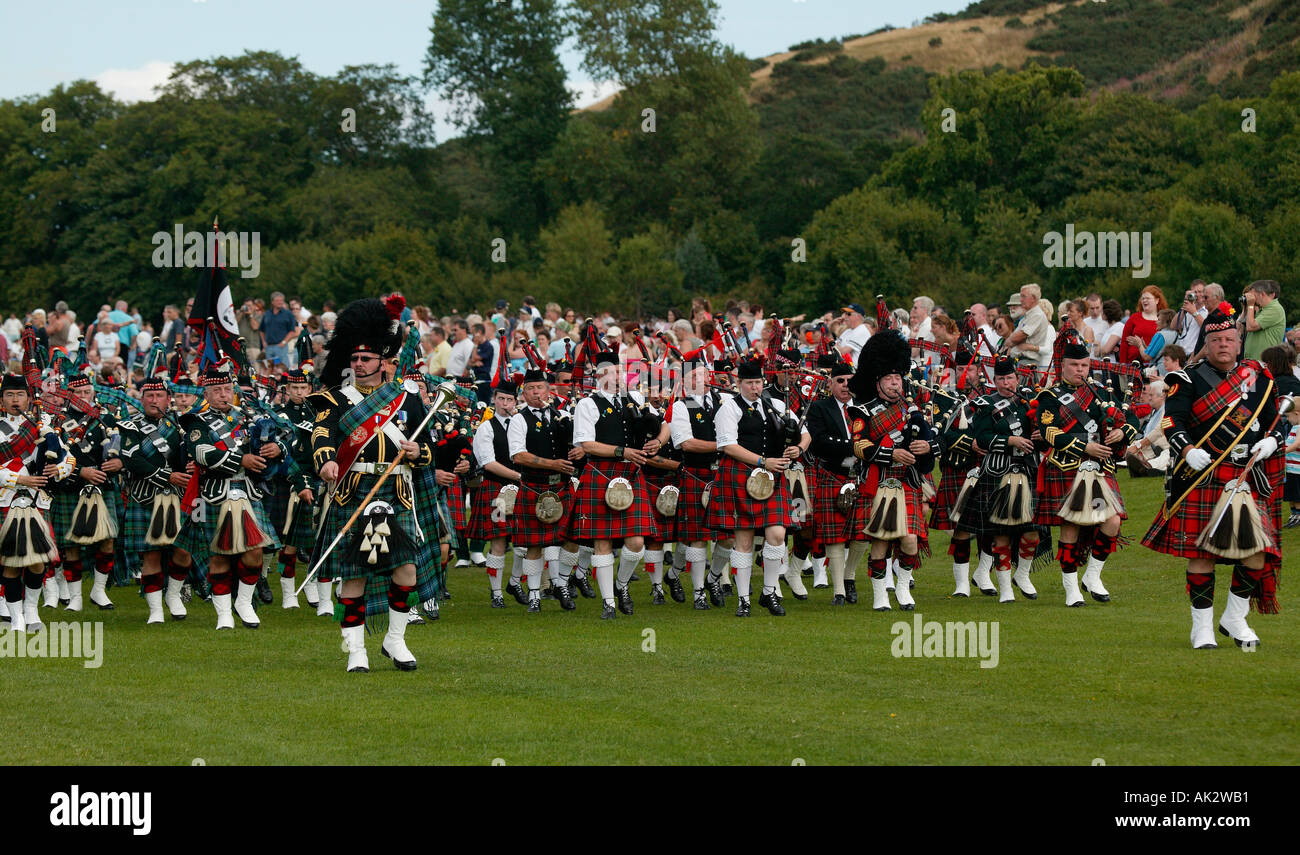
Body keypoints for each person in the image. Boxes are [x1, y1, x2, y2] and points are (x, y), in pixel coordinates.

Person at [1143, 301, 1288, 649]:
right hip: (1203, 474)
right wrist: (1187, 450)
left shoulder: (1259, 376)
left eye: (1229, 338)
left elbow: (1276, 421)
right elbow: (1170, 421)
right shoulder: (1187, 378)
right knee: (1201, 553)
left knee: (1257, 550)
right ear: (1206, 345)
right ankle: (1202, 627)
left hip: (1246, 474)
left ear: (1238, 341)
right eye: (1217, 340)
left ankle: (1235, 618)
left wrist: (1272, 441)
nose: (1224, 344)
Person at [309, 296, 436, 671]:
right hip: (355, 490)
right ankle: (356, 650)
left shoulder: (406, 400)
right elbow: (321, 436)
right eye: (354, 359)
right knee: (355, 574)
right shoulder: (336, 400)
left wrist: (417, 452)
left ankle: (394, 641)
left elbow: (428, 447)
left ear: (383, 362)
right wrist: (326, 462)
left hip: (395, 490)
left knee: (406, 570)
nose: (358, 364)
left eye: (366, 359)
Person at [173, 361, 286, 630]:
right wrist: (240, 460)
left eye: (227, 389)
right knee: (218, 555)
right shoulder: (195, 420)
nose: (223, 394)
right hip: (214, 493)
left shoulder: (248, 415)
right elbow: (202, 452)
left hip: (248, 492)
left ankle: (244, 602)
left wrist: (277, 448)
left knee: (254, 552)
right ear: (207, 393)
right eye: (217, 390)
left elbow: (280, 434)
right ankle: (223, 612)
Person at [1032, 341, 1137, 606]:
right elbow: (1049, 432)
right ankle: (1071, 588)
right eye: (1074, 365)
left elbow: (1132, 419)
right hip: (1067, 466)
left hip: (1100, 468)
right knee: (1072, 525)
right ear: (1063, 366)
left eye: (1084, 365)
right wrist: (1084, 445)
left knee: (1111, 521)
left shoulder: (1102, 392)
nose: (1080, 370)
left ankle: (1092, 576)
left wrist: (1121, 432)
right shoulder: (1050, 397)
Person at [707, 356, 807, 617]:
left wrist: (798, 448)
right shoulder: (729, 408)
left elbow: (805, 433)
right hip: (741, 475)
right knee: (744, 540)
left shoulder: (775, 404)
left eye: (758, 382)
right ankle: (743, 600)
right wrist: (764, 461)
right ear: (738, 383)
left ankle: (769, 591)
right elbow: (727, 446)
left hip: (772, 478)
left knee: (777, 535)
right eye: (750, 383)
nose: (755, 387)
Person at [570, 352, 663, 614]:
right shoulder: (587, 405)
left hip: (631, 475)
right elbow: (586, 444)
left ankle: (621, 585)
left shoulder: (635, 399)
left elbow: (664, 423)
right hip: (601, 473)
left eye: (620, 371)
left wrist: (659, 441)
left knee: (636, 543)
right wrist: (623, 452)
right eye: (613, 372)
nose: (619, 376)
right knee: (602, 541)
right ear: (600, 376)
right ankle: (608, 602)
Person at [848, 330, 932, 612]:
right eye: (889, 379)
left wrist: (925, 448)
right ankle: (880, 593)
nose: (895, 383)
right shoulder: (863, 411)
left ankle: (903, 584)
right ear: (878, 381)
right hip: (880, 481)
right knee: (881, 541)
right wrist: (890, 453)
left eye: (898, 378)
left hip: (906, 481)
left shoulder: (912, 410)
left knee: (910, 541)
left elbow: (932, 444)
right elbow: (859, 446)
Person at [958, 358, 1045, 602]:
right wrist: (1010, 441)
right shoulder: (986, 404)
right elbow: (981, 437)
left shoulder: (1029, 402)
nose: (1006, 383)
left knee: (1032, 532)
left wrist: (1040, 436)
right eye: (1001, 379)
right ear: (994, 381)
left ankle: (1023, 574)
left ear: (1017, 379)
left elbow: (1040, 438)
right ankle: (1005, 587)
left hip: (1027, 471)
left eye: (1009, 378)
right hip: (998, 473)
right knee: (1001, 533)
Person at [0, 372, 74, 633]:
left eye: (20, 395)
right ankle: (15, 617)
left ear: (29, 398)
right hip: (6, 500)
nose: (15, 400)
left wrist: (60, 470)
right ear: (2, 400)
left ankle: (31, 611)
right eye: (9, 395)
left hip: (37, 502)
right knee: (9, 561)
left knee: (38, 561)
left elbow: (69, 458)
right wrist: (19, 479)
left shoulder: (44, 424)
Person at [506, 367, 584, 612]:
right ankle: (534, 596)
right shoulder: (519, 419)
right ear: (524, 393)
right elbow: (518, 456)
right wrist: (553, 463)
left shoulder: (562, 415)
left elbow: (579, 444)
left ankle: (560, 583)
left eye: (539, 387)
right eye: (530, 388)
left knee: (571, 539)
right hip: (534, 486)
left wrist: (580, 450)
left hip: (561, 485)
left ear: (549, 390)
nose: (535, 392)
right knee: (534, 545)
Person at [117, 373, 193, 623]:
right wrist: (167, 476)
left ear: (168, 398)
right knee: (150, 554)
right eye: (149, 395)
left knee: (183, 552)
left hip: (178, 497)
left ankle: (172, 595)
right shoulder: (130, 426)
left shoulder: (182, 426)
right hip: (145, 497)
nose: (154, 400)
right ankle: (155, 610)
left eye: (159, 395)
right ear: (141, 399)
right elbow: (131, 459)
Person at [48, 375, 124, 612]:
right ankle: (75, 597)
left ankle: (98, 590)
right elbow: (55, 459)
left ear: (93, 393)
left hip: (102, 487)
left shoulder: (107, 419)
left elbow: (118, 448)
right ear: (69, 395)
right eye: (78, 394)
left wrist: (119, 463)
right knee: (71, 544)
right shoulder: (58, 421)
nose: (83, 397)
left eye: (87, 392)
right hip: (71, 487)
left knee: (107, 540)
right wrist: (81, 472)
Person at [806, 357, 871, 605]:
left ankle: (849, 574)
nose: (845, 385)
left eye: (849, 381)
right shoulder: (820, 408)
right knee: (834, 536)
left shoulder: (865, 407)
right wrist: (855, 446)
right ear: (831, 383)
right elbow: (819, 440)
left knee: (861, 533)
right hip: (832, 474)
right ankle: (839, 591)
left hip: (861, 475)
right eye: (840, 381)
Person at [267, 366, 320, 611]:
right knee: (288, 543)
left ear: (310, 389)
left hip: (316, 482)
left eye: (303, 388)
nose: (299, 392)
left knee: (313, 543)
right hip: (286, 484)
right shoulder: (277, 415)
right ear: (287, 390)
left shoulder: (320, 414)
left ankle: (311, 585)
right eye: (295, 388)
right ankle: (288, 592)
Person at [467, 380, 521, 608]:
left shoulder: (521, 424)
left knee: (525, 542)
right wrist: (519, 477)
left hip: (522, 490)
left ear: (516, 401)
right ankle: (496, 593)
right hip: (497, 489)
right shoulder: (486, 428)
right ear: (494, 400)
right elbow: (488, 463)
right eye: (501, 399)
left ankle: (516, 581)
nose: (505, 404)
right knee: (498, 542)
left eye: (509, 400)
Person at [1004, 284, 1050, 372]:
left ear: (1033, 298)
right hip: (1022, 361)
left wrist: (1010, 341)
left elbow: (1017, 337)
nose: (1021, 300)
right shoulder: (1027, 316)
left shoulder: (1037, 315)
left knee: (1025, 386)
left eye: (1023, 296)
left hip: (1028, 363)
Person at [1120, 286, 1167, 365]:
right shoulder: (1134, 317)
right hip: (1131, 364)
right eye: (1143, 298)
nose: (1144, 300)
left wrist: (1140, 345)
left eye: (1148, 298)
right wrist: (1122, 364)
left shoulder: (1163, 321)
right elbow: (1124, 342)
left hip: (1152, 365)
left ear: (1157, 300)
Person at [1242, 279, 1285, 362]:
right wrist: (1246, 308)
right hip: (1255, 362)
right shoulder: (1263, 309)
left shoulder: (1275, 309)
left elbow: (1251, 326)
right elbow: (1241, 325)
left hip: (1265, 364)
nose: (1252, 299)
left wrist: (1250, 305)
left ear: (1262, 294)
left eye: (1253, 296)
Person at [261, 292, 300, 371]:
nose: (280, 302)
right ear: (272, 302)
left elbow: (292, 331)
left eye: (281, 300)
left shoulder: (288, 314)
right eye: (278, 300)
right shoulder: (267, 314)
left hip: (281, 347)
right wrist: (264, 342)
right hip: (269, 347)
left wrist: (284, 342)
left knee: (282, 369)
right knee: (270, 369)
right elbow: (262, 330)